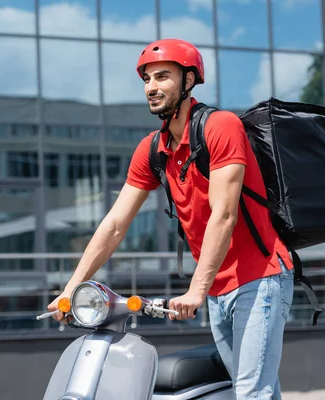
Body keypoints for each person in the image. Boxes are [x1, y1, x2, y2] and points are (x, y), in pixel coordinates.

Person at [47, 38, 295, 399]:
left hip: (261, 276)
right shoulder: (153, 149)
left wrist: (196, 289)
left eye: (162, 76)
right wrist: (72, 287)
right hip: (217, 287)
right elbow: (115, 224)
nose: (151, 87)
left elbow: (223, 215)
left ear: (189, 81)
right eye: (146, 79)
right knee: (256, 390)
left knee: (251, 391)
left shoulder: (220, 127)